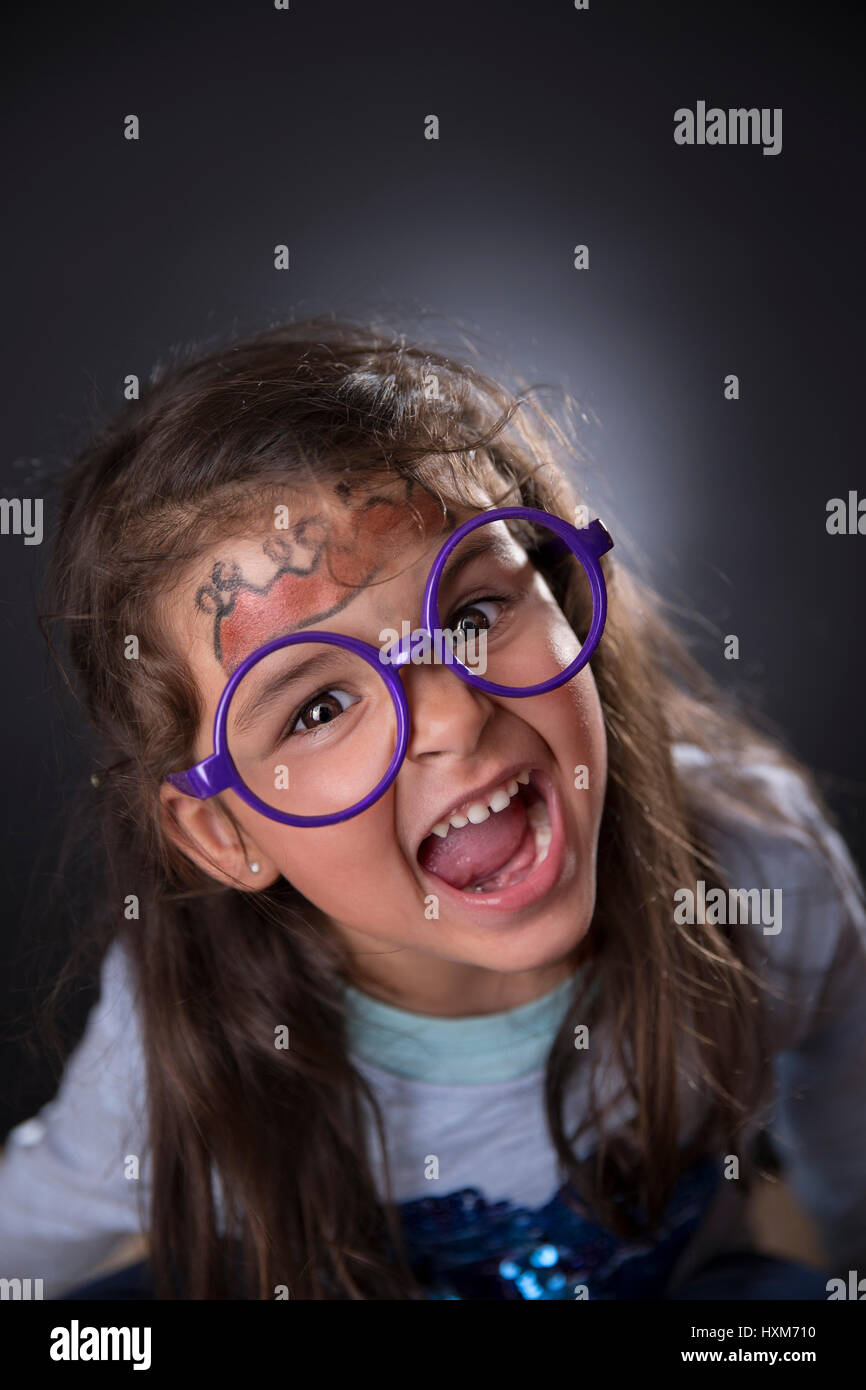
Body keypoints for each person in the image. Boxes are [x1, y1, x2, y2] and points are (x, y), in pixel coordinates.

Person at [1, 316, 864, 1300]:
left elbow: (849, 1129)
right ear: (224, 830)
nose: (451, 710)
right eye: (318, 707)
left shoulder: (760, 869)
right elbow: (28, 1233)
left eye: (471, 614)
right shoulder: (172, 1049)